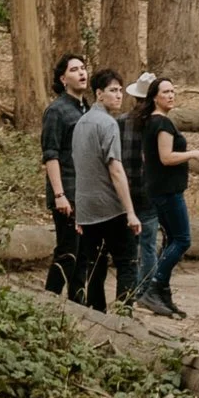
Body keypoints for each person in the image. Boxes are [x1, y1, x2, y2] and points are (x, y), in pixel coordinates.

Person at [70, 67, 138, 309]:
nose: (119, 96)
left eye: (120, 90)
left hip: (87, 208)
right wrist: (130, 211)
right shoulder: (108, 124)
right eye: (113, 90)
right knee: (127, 261)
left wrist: (79, 209)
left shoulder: (81, 123)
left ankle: (97, 313)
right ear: (99, 94)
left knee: (95, 265)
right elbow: (115, 169)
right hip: (110, 207)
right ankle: (124, 315)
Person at [137, 77, 193, 317]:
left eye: (173, 91)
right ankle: (154, 286)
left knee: (171, 240)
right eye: (166, 92)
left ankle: (163, 293)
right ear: (154, 97)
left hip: (159, 190)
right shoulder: (161, 123)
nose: (171, 95)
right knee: (182, 239)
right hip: (167, 192)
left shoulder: (151, 122)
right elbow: (166, 157)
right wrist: (192, 153)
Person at [38, 52, 89, 297]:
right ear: (63, 78)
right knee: (68, 251)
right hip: (67, 191)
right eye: (74, 70)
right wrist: (59, 194)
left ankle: (79, 304)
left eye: (83, 68)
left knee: (83, 254)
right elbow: (51, 154)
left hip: (87, 192)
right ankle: (49, 300)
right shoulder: (56, 111)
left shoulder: (86, 109)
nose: (81, 73)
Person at [122, 69, 159, 301]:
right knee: (148, 245)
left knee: (130, 246)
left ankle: (130, 291)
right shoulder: (158, 124)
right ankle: (145, 291)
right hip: (150, 193)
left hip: (125, 192)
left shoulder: (120, 122)